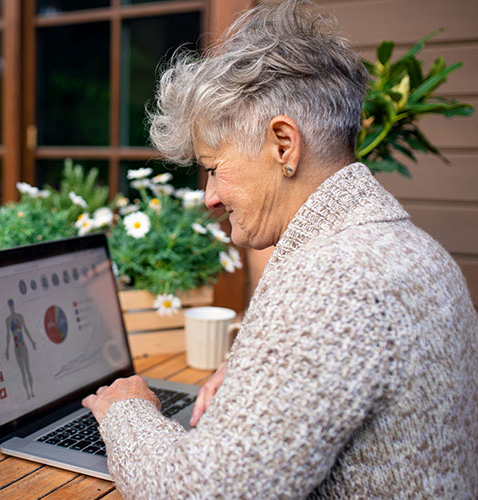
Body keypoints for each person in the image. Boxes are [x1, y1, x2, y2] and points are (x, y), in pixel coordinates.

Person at [81, 0, 478, 497]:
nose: (209, 196)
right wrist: (266, 371)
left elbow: (202, 493)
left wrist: (126, 410)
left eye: (213, 166)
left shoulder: (331, 281)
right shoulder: (410, 247)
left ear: (284, 145)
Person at [4, 298, 37, 399]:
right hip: (16, 347)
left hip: (23, 345)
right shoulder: (8, 320)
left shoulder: (20, 316)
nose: (11, 307)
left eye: (12, 305)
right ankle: (28, 393)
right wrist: (6, 349)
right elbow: (8, 335)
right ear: (9, 306)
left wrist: (32, 341)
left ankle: (32, 392)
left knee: (28, 370)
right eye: (10, 305)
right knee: (23, 371)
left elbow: (25, 329)